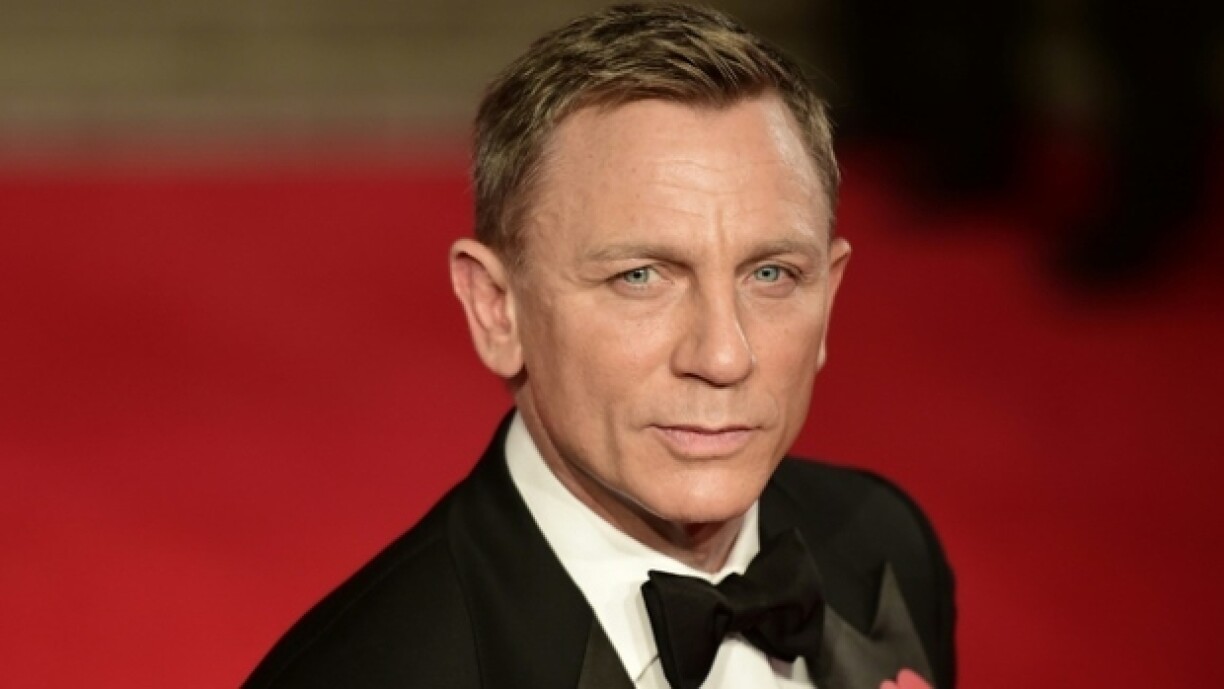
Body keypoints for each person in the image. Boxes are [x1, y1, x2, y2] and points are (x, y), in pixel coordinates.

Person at [243, 4, 955, 688]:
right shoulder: (367, 674)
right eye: (639, 277)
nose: (723, 356)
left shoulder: (884, 547)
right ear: (497, 309)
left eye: (771, 274)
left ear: (828, 299)